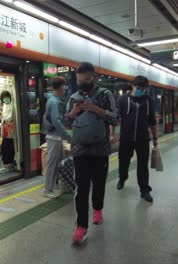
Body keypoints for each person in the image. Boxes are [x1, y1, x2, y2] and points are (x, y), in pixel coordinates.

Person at [65, 62, 117, 245]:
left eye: (85, 80)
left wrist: (94, 108)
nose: (82, 84)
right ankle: (81, 227)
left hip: (100, 149)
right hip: (80, 149)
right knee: (81, 188)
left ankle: (97, 209)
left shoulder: (105, 94)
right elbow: (66, 123)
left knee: (99, 183)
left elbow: (114, 118)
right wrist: (74, 112)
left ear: (93, 77)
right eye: (79, 81)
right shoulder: (73, 97)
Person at [117, 75, 157, 203]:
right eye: (138, 87)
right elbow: (115, 118)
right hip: (126, 138)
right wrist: (111, 134)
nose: (140, 89)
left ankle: (144, 190)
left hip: (142, 138)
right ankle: (122, 178)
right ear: (133, 85)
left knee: (143, 165)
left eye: (142, 88)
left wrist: (155, 137)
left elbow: (152, 121)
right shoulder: (123, 100)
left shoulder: (148, 101)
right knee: (123, 161)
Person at [42, 77, 71, 198]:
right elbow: (56, 120)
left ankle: (55, 186)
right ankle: (47, 190)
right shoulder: (54, 101)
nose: (65, 88)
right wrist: (67, 136)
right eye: (64, 86)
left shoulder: (53, 99)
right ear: (60, 87)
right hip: (54, 137)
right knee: (52, 163)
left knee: (58, 162)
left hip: (55, 137)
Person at [0, 90, 17, 174]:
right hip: (5, 128)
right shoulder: (5, 105)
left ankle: (8, 165)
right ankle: (9, 164)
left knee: (7, 147)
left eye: (6, 97)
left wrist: (2, 115)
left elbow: (9, 117)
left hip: (9, 128)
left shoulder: (12, 105)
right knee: (6, 146)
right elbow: (4, 117)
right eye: (3, 97)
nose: (5, 99)